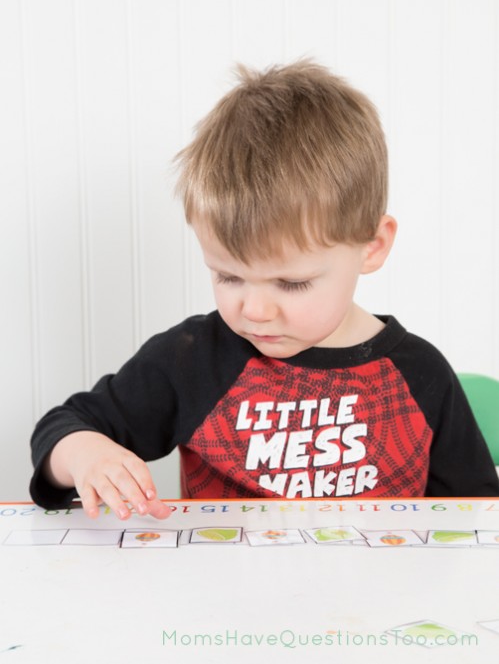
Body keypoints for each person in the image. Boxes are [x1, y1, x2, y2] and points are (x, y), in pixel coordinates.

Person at [29, 60, 499, 520]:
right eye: (228, 276)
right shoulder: (192, 360)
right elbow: (62, 429)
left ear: (371, 247)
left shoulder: (420, 375)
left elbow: (478, 517)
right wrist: (85, 454)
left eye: (292, 282)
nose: (253, 309)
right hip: (227, 592)